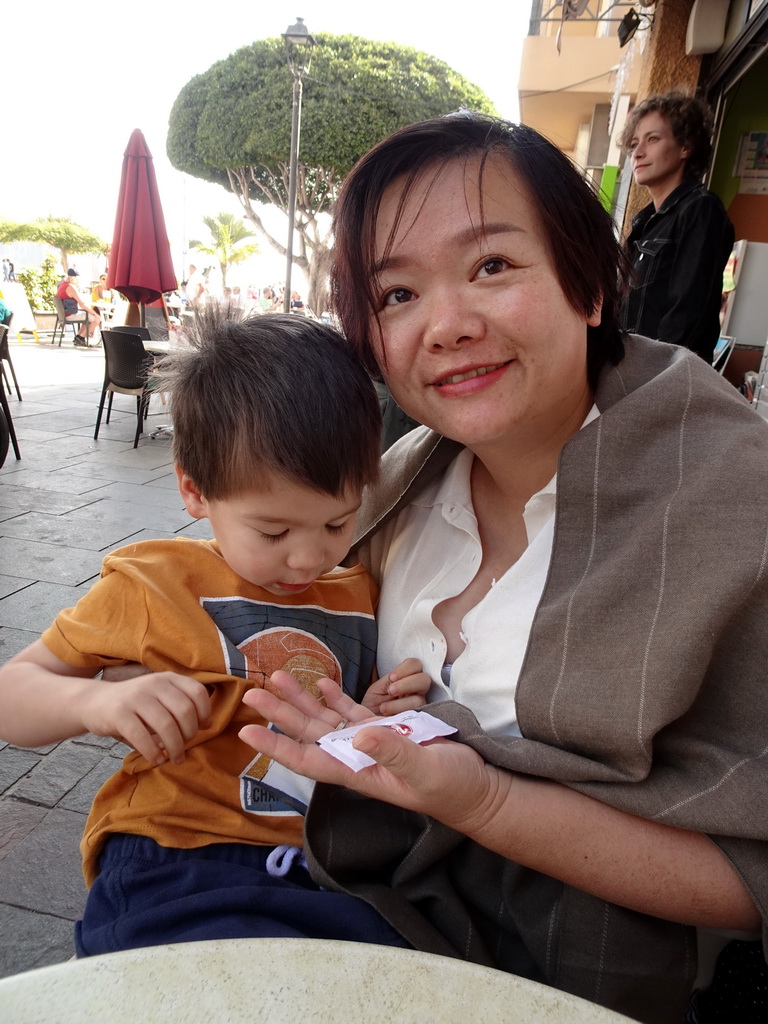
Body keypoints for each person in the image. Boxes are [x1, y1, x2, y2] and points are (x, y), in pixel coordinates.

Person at [237, 113, 768, 1024]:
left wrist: (483, 801)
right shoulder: (385, 491)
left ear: (590, 285)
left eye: (491, 266)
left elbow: (750, 881)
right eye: (396, 293)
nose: (446, 325)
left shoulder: (732, 504)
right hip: (345, 935)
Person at [0, 310, 429, 958]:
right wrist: (96, 703)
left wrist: (369, 719)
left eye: (338, 523)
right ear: (195, 491)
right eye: (274, 532)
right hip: (175, 855)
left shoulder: (359, 591)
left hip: (326, 867)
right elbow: (13, 697)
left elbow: (331, 730)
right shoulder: (157, 582)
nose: (307, 558)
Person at [618, 91, 735, 364]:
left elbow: (686, 317)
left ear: (686, 146)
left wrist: (653, 385)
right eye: (634, 143)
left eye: (653, 139)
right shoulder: (645, 222)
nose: (638, 152)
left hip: (664, 383)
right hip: (629, 376)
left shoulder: (700, 210)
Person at [56, 269, 100, 346]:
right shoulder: (71, 287)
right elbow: (82, 304)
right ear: (74, 278)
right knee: (96, 319)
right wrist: (95, 313)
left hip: (63, 315)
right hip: (69, 315)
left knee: (87, 316)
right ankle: (81, 338)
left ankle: (79, 337)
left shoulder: (62, 285)